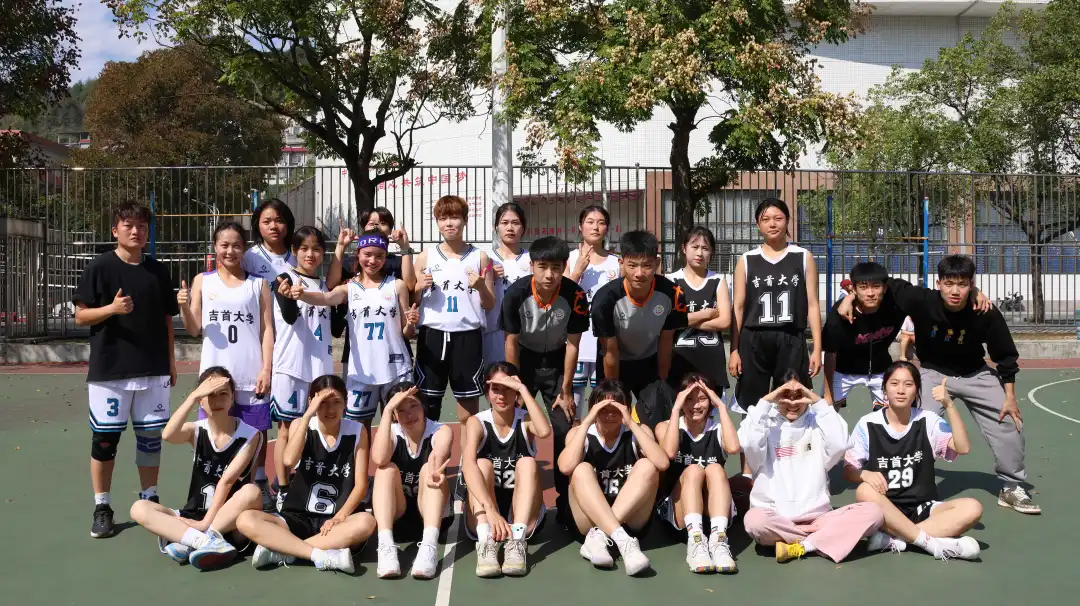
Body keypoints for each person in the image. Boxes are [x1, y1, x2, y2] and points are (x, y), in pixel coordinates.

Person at [837, 254, 1039, 514]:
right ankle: (909, 483)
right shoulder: (921, 300)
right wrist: (850, 296)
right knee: (911, 421)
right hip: (933, 372)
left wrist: (1009, 397)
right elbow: (882, 282)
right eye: (949, 283)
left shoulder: (983, 311)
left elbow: (1005, 355)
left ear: (971, 285)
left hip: (975, 373)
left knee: (1009, 421)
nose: (955, 291)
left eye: (963, 284)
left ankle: (1011, 486)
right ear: (938, 283)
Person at [73, 202, 179, 538]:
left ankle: (150, 499)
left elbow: (167, 320)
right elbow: (81, 315)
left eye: (142, 226)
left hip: (152, 370)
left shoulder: (158, 271)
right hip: (111, 371)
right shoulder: (99, 267)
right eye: (129, 225)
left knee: (150, 439)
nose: (136, 231)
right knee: (105, 441)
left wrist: (171, 362)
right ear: (115, 230)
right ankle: (102, 506)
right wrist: (112, 309)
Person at [178, 222, 275, 508]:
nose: (230, 251)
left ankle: (255, 488)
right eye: (224, 245)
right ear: (215, 247)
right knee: (213, 436)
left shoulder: (258, 284)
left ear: (244, 249)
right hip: (215, 379)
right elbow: (194, 328)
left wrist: (266, 368)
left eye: (236, 245)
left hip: (250, 375)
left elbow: (267, 330)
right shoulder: (203, 281)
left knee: (255, 436)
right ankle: (209, 494)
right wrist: (183, 306)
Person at [738, 374, 884, 563]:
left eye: (799, 395)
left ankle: (802, 546)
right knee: (754, 521)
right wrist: (766, 402)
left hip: (818, 519)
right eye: (785, 396)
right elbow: (748, 444)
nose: (792, 403)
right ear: (775, 396)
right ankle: (823, 540)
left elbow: (840, 444)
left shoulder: (818, 422)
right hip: (775, 518)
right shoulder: (764, 423)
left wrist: (818, 402)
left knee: (873, 513)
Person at [844, 361, 982, 561]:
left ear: (917, 391)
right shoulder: (867, 424)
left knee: (972, 508)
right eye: (894, 384)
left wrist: (949, 405)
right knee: (864, 490)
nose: (901, 390)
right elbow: (849, 470)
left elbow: (963, 448)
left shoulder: (928, 420)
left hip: (923, 507)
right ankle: (933, 543)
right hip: (885, 510)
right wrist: (864, 474)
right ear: (884, 390)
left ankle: (897, 539)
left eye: (908, 384)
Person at [236, 375, 374, 572]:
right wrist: (308, 415)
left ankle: (285, 550)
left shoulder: (357, 431)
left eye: (336, 402)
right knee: (246, 519)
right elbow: (289, 460)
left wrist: (340, 517)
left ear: (345, 403)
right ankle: (318, 554)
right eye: (323, 402)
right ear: (312, 402)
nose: (330, 409)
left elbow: (360, 485)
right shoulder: (302, 425)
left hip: (336, 520)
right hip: (299, 516)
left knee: (366, 522)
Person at [129, 367, 262, 570]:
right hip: (194, 514)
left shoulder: (250, 435)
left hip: (229, 520)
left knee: (251, 491)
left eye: (223, 393)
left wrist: (205, 523)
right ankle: (201, 542)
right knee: (139, 508)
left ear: (232, 398)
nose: (217, 400)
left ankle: (194, 539)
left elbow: (226, 482)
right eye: (209, 394)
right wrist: (192, 397)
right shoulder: (197, 430)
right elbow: (167, 435)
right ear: (201, 400)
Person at [500, 235, 589, 521]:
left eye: (556, 267)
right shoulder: (516, 294)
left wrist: (566, 389)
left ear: (564, 267)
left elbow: (573, 344)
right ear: (532, 266)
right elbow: (511, 342)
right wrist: (515, 385)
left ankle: (565, 501)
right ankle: (511, 495)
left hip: (557, 363)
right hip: (524, 361)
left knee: (564, 426)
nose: (549, 274)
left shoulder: (576, 296)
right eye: (542, 267)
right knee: (515, 425)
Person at [291, 230, 418, 426]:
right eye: (367, 254)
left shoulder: (397, 285)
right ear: (358, 254)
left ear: (385, 257)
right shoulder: (349, 288)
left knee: (399, 426)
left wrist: (411, 323)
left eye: (379, 255)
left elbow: (407, 333)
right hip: (361, 371)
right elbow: (325, 298)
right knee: (358, 428)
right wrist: (302, 295)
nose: (373, 260)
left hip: (396, 368)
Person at [558, 380, 670, 576]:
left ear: (626, 408)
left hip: (631, 520)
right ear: (593, 409)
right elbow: (565, 467)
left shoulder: (638, 431)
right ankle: (622, 540)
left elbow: (662, 463)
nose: (610, 415)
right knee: (580, 469)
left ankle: (604, 536)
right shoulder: (579, 433)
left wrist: (631, 423)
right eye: (603, 409)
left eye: (616, 409)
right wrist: (587, 421)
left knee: (647, 466)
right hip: (590, 523)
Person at [729, 198, 822, 414]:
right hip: (753, 340)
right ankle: (752, 438)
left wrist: (817, 349)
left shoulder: (803, 257)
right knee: (753, 408)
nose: (772, 224)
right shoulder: (747, 260)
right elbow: (738, 308)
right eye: (766, 219)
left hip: (791, 338)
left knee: (793, 402)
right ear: (758, 224)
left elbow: (812, 304)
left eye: (778, 218)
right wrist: (734, 350)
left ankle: (792, 438)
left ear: (787, 220)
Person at [461, 363, 553, 578]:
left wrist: (523, 389)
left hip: (523, 513)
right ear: (487, 392)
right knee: (480, 464)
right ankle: (486, 544)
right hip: (485, 512)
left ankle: (517, 542)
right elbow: (467, 466)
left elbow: (544, 431)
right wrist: (491, 510)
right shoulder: (477, 422)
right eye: (496, 389)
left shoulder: (525, 419)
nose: (501, 396)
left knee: (528, 462)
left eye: (508, 389)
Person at [266, 226, 335, 510]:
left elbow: (337, 327)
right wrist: (288, 296)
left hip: (320, 368)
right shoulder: (284, 279)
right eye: (304, 248)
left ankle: (311, 481)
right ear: (294, 251)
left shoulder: (325, 287)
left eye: (316, 249)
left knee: (319, 428)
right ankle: (282, 487)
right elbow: (290, 316)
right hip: (291, 366)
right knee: (286, 429)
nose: (310, 254)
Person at [591, 230, 688, 429]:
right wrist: (613, 391)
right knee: (611, 421)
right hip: (615, 362)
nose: (639, 273)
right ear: (621, 264)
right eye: (632, 265)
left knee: (656, 421)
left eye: (647, 265)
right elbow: (610, 351)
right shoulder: (604, 300)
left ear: (657, 264)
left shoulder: (674, 294)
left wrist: (662, 382)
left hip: (649, 363)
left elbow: (666, 341)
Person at [413, 195, 496, 424]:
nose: (449, 223)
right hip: (432, 336)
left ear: (465, 220)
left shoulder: (480, 257)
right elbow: (413, 299)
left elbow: (490, 303)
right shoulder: (425, 257)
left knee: (468, 408)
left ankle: (468, 448)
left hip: (467, 336)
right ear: (437, 222)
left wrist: (481, 286)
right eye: (443, 218)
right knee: (428, 405)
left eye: (455, 217)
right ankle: (428, 447)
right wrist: (418, 287)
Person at [654, 374, 740, 573]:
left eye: (702, 399)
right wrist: (675, 409)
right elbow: (669, 453)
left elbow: (733, 448)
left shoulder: (718, 428)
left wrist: (722, 407)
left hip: (715, 514)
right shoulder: (666, 426)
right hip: (681, 514)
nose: (695, 405)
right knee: (693, 470)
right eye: (689, 399)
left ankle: (719, 542)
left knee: (715, 469)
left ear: (711, 400)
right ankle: (696, 541)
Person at [370, 383, 453, 579]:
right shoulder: (391, 432)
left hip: (432, 517)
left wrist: (434, 468)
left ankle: (429, 547)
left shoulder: (441, 430)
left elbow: (437, 457)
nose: (409, 415)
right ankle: (385, 546)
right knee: (385, 470)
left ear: (423, 406)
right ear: (394, 414)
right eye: (400, 410)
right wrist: (387, 410)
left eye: (414, 406)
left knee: (429, 469)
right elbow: (379, 458)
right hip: (397, 518)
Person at [327, 207, 416, 376]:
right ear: (363, 228)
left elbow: (411, 285)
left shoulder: (396, 262)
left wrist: (404, 247)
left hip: (393, 344)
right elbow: (331, 284)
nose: (377, 227)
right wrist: (340, 246)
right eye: (372, 223)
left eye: (383, 223)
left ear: (390, 229)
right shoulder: (353, 262)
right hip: (358, 342)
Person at [821, 262, 907, 411]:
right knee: (825, 412)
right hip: (843, 371)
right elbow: (830, 353)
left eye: (876, 286)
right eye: (863, 287)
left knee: (895, 412)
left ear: (885, 288)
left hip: (880, 369)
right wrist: (828, 396)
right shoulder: (840, 313)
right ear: (854, 290)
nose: (870, 293)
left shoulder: (896, 306)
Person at [566, 205, 621, 410]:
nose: (595, 227)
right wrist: (577, 271)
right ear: (580, 227)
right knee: (574, 407)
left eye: (601, 222)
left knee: (604, 404)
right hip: (576, 343)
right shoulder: (570, 258)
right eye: (590, 222)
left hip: (605, 344)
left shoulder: (617, 262)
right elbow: (562, 297)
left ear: (607, 228)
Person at [665, 225, 731, 391]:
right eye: (694, 247)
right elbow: (667, 321)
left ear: (711, 252)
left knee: (711, 405)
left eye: (705, 248)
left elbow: (724, 322)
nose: (700, 253)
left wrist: (683, 321)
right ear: (684, 248)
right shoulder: (671, 280)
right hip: (680, 358)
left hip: (711, 359)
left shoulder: (718, 280)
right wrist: (705, 314)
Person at [483, 203, 532, 365]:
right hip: (493, 331)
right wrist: (489, 278)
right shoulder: (485, 259)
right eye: (504, 223)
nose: (510, 228)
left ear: (523, 228)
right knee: (495, 377)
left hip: (525, 332)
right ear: (496, 227)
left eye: (515, 223)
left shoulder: (532, 260)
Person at [243, 198, 296, 282]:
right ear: (257, 226)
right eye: (266, 222)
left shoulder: (298, 255)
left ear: (288, 224)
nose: (273, 226)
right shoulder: (250, 257)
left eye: (279, 221)